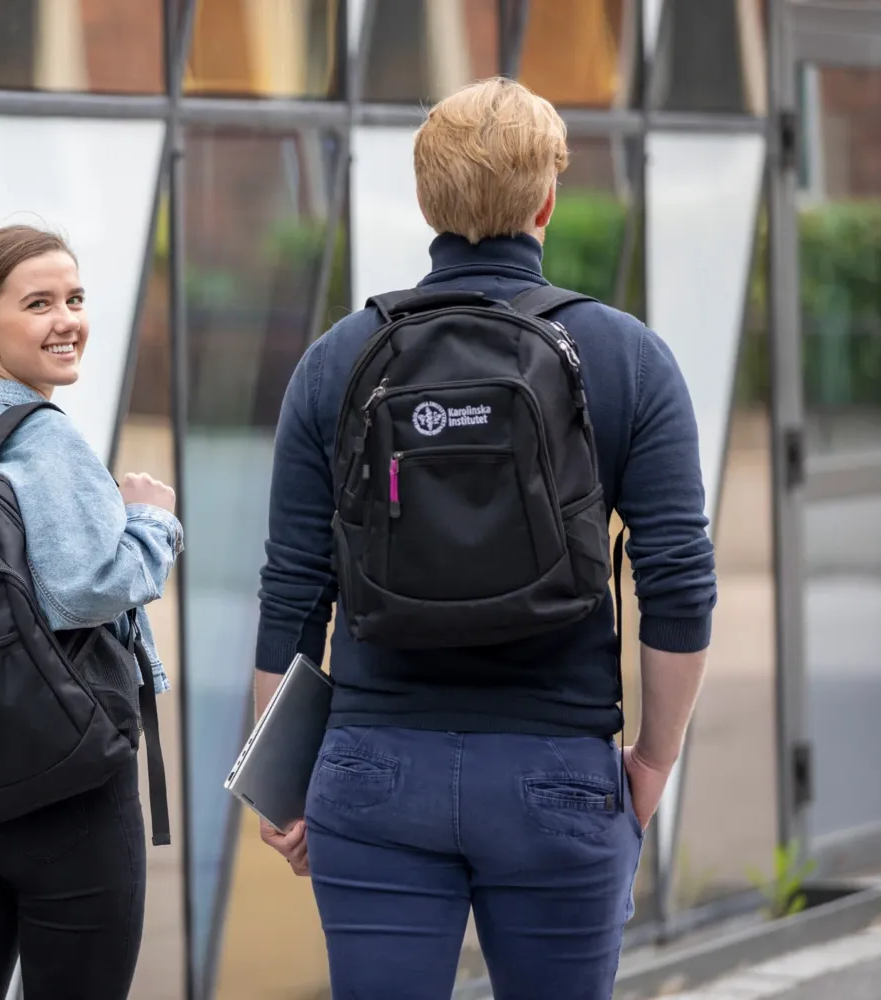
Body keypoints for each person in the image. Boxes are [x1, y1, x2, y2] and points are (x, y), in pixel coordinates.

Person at [253, 77, 716, 998]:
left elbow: (295, 590)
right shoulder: (626, 356)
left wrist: (285, 783)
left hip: (375, 766)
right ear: (548, 200)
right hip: (558, 770)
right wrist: (654, 761)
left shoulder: (337, 359)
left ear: (426, 201)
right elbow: (679, 580)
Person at [0, 224, 182, 1000]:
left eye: (75, 298)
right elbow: (88, 587)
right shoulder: (43, 438)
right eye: (40, 304)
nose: (67, 320)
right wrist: (152, 519)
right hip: (66, 791)